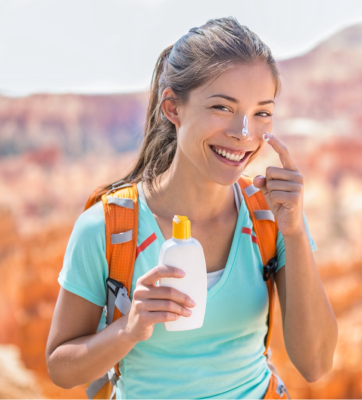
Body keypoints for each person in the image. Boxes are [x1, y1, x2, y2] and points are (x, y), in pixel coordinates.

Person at [45, 17, 338, 399]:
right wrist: (129, 329)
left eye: (262, 112)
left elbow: (315, 363)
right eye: (222, 107)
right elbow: (61, 368)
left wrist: (295, 233)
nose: (244, 132)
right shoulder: (105, 226)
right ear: (173, 108)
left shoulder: (271, 216)